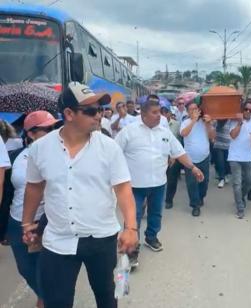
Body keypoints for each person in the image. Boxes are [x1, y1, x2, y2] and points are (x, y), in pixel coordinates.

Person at [21, 82, 138, 308]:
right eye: (92, 111)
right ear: (69, 114)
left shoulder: (109, 147)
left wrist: (131, 228)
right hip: (58, 239)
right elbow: (34, 187)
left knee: (106, 297)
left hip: (101, 238)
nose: (99, 116)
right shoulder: (40, 149)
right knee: (57, 301)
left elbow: (123, 188)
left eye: (101, 110)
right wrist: (27, 224)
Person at [115, 98, 204, 267]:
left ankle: (151, 237)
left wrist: (192, 168)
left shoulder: (164, 132)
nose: (159, 116)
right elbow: (113, 153)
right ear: (143, 113)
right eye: (154, 113)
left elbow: (179, 152)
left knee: (156, 213)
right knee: (133, 218)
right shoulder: (128, 132)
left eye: (159, 113)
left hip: (158, 184)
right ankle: (131, 251)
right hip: (134, 186)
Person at [5, 111, 59, 308]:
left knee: (45, 269)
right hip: (16, 222)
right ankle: (43, 294)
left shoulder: (61, 155)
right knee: (25, 268)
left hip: (46, 222)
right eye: (47, 129)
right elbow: (7, 192)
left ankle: (45, 299)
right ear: (31, 133)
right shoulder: (15, 156)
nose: (53, 132)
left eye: (54, 128)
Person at [228, 100, 251, 219]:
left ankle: (240, 197)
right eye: (246, 109)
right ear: (242, 109)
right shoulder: (233, 120)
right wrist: (239, 123)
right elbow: (233, 135)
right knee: (237, 183)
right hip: (234, 156)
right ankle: (240, 207)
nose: (248, 112)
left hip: (249, 156)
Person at [180, 100, 215, 217]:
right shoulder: (186, 122)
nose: (195, 111)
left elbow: (212, 137)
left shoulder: (206, 122)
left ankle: (201, 197)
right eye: (192, 109)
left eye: (196, 109)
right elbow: (184, 133)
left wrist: (209, 124)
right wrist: (194, 120)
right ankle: (195, 205)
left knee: (204, 181)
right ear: (187, 111)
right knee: (192, 183)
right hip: (190, 159)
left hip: (204, 157)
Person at [213, 119, 232, 188]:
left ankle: (226, 174)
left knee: (227, 162)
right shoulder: (217, 121)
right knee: (220, 162)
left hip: (229, 145)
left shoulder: (232, 121)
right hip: (219, 145)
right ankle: (221, 179)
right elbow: (214, 129)